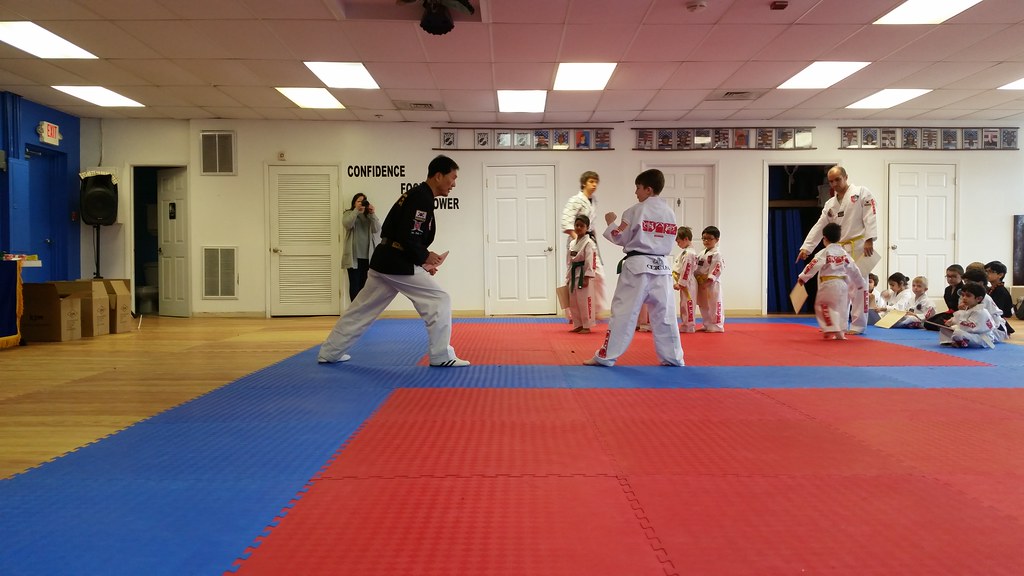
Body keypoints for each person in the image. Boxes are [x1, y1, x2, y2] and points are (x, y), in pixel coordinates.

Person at [317, 155, 469, 367]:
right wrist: (424, 256)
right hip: (396, 264)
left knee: (361, 310)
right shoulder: (421, 198)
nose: (454, 184)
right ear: (438, 176)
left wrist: (423, 262)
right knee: (439, 300)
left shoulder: (417, 195)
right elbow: (409, 236)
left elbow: (403, 234)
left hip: (385, 260)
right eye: (452, 178)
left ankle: (330, 352)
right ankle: (441, 355)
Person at [584, 169, 684, 367]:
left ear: (648, 189)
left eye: (638, 188)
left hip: (638, 267)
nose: (635, 192)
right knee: (665, 315)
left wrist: (610, 222)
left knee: (623, 314)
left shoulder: (635, 211)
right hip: (662, 267)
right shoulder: (670, 212)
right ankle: (673, 358)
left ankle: (606, 356)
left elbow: (619, 236)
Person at [796, 165, 877, 335]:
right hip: (839, 248)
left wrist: (870, 239)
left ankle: (858, 325)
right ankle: (837, 324)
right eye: (831, 181)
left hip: (859, 247)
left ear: (846, 177)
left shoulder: (861, 193)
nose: (834, 184)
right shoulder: (830, 204)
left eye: (837, 180)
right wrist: (807, 248)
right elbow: (820, 226)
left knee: (859, 286)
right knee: (839, 289)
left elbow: (870, 215)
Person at [797, 223, 865, 339]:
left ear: (824, 238)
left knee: (823, 305)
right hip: (843, 284)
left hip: (828, 284)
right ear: (839, 238)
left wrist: (803, 277)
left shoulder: (824, 252)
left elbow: (813, 265)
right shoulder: (844, 253)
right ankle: (840, 333)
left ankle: (830, 327)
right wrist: (860, 283)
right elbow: (854, 269)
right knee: (841, 308)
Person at [562, 171, 606, 315]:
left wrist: (591, 240)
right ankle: (571, 313)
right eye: (591, 181)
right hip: (576, 241)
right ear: (583, 183)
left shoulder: (593, 201)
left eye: (596, 182)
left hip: (590, 241)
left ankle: (596, 310)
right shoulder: (575, 200)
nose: (594, 185)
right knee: (572, 276)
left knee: (597, 274)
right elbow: (566, 223)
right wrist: (577, 240)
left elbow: (591, 225)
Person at [342, 193, 381, 301]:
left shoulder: (368, 216)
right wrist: (356, 211)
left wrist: (372, 213)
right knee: (354, 284)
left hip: (367, 258)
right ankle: (354, 309)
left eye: (363, 201)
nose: (361, 203)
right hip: (353, 258)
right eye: (359, 201)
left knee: (365, 286)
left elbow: (377, 229)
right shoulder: (349, 213)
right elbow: (347, 224)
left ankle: (363, 308)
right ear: (354, 203)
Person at [940, 283, 996, 348]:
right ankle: (950, 342)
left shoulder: (981, 312)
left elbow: (970, 328)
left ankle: (961, 343)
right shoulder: (969, 309)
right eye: (963, 295)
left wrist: (956, 322)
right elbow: (963, 322)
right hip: (973, 335)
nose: (964, 298)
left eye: (968, 296)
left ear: (978, 299)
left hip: (983, 338)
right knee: (946, 328)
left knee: (958, 333)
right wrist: (951, 322)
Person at [566, 215, 597, 333]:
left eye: (582, 226)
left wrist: (587, 277)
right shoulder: (572, 243)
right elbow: (569, 261)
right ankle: (578, 324)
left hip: (583, 274)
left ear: (587, 227)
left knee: (584, 300)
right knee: (574, 301)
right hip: (573, 273)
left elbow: (590, 261)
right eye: (577, 225)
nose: (578, 228)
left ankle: (586, 326)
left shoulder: (589, 243)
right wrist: (568, 277)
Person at [963, 268, 1010, 341]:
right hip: (984, 327)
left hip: (995, 330)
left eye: (969, 282)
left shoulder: (984, 299)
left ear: (980, 283)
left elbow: (978, 324)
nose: (967, 285)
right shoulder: (973, 296)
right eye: (965, 282)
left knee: (960, 334)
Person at [695, 226, 725, 332]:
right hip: (700, 282)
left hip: (712, 283)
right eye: (704, 239)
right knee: (703, 304)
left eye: (709, 239)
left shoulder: (716, 254)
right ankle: (707, 324)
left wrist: (708, 282)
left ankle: (717, 325)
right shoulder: (702, 253)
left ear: (717, 239)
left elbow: (717, 269)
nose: (706, 241)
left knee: (714, 304)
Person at [672, 226, 698, 333]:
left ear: (686, 239)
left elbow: (686, 269)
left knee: (688, 304)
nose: (678, 244)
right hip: (686, 281)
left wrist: (681, 283)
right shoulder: (686, 252)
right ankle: (686, 324)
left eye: (679, 242)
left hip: (688, 282)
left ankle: (689, 326)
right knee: (684, 304)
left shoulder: (689, 253)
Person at [925, 264, 964, 331]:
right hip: (950, 313)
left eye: (954, 276)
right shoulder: (947, 289)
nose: (950, 279)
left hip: (960, 315)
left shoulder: (964, 289)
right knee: (927, 323)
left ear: (962, 276)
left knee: (939, 324)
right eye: (948, 276)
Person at [985, 260, 1015, 337]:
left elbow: (998, 310)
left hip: (998, 320)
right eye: (986, 271)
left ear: (1000, 275)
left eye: (990, 272)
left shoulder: (1001, 291)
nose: (987, 274)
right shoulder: (992, 289)